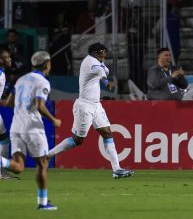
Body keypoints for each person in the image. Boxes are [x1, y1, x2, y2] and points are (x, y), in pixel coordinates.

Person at [47, 43, 134, 179]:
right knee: (78, 140)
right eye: (104, 52)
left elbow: (104, 71)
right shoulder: (90, 62)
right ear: (98, 52)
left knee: (107, 132)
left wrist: (103, 66)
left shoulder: (98, 62)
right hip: (85, 106)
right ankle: (48, 155)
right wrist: (107, 83)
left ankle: (116, 169)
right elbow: (102, 75)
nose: (106, 54)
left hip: (96, 105)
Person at [0, 51, 61, 210]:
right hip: (32, 127)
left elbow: (8, 103)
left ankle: (1, 161)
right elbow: (40, 105)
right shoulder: (43, 81)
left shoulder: (21, 79)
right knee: (42, 164)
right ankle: (43, 203)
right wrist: (54, 120)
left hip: (16, 126)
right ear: (46, 64)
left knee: (19, 166)